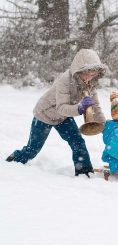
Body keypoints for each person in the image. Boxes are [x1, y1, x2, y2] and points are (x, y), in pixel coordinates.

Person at [6, 49, 106, 177]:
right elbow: (61, 107)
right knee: (33, 150)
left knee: (78, 142)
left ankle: (84, 172)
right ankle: (12, 161)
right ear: (78, 70)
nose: (89, 78)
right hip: (44, 114)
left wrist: (104, 125)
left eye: (93, 75)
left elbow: (95, 106)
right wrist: (79, 108)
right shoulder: (65, 81)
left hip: (63, 118)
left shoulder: (90, 84)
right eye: (86, 74)